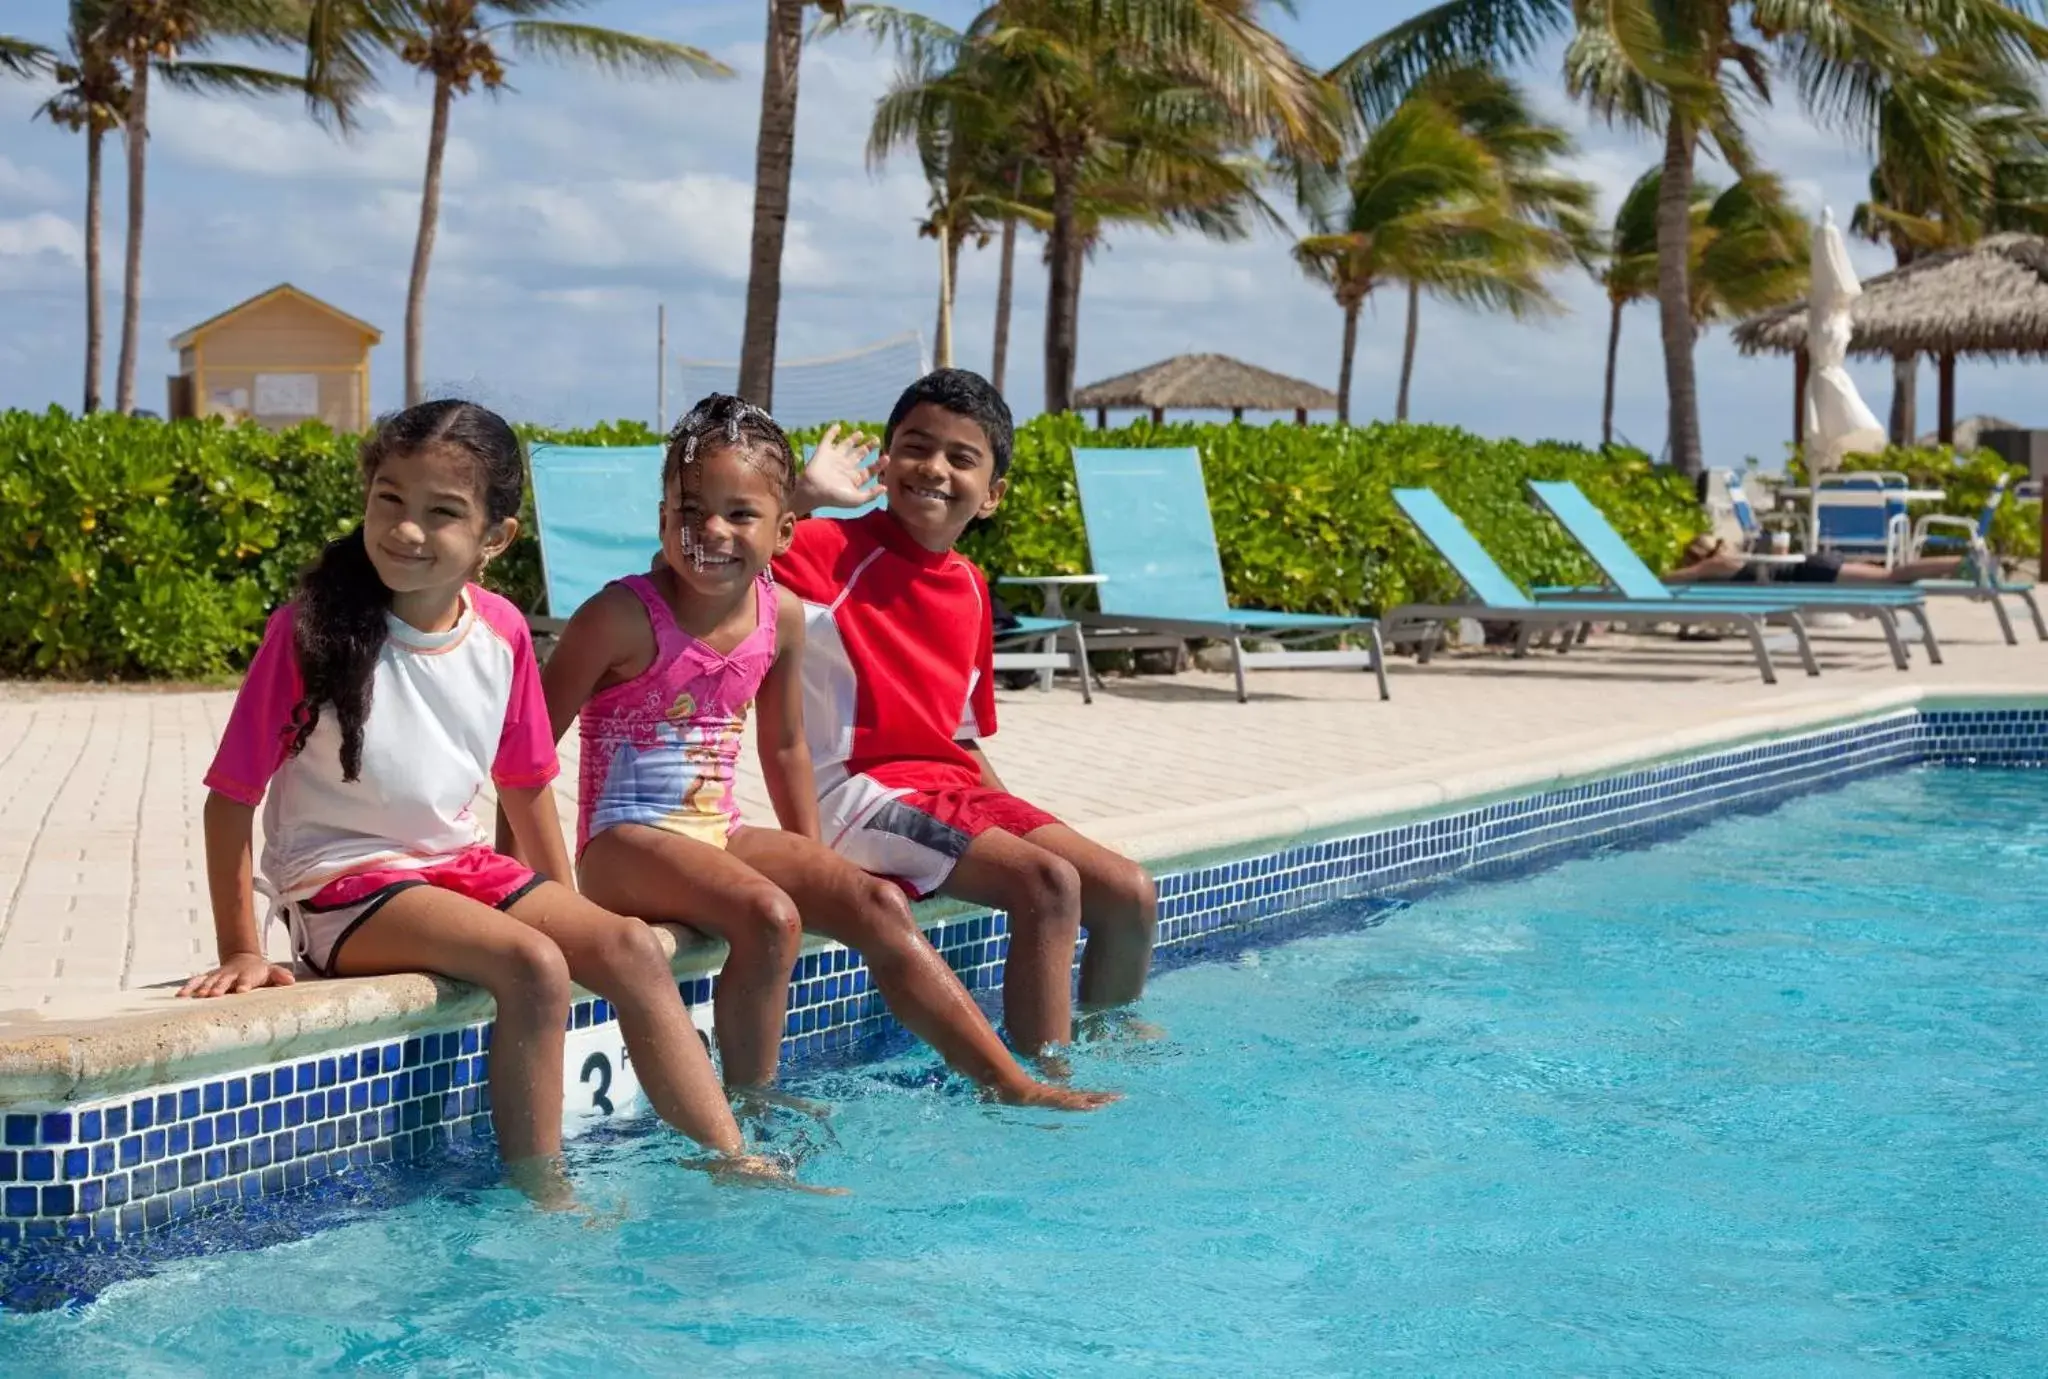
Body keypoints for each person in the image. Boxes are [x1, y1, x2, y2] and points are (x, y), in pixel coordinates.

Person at [180, 400, 802, 1204]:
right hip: (342, 881)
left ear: (494, 537)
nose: (407, 529)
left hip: (455, 865)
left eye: (443, 512)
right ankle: (544, 1196)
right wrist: (242, 947)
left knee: (629, 949)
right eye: (390, 500)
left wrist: (570, 912)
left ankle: (729, 1154)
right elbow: (230, 798)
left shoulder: (502, 631)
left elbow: (527, 786)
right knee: (532, 965)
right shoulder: (310, 631)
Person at [526, 393, 1114, 1112]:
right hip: (623, 837)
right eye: (690, 513)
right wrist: (542, 889)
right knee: (770, 916)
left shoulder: (781, 617)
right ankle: (753, 1101)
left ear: (783, 534)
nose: (711, 530)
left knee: (873, 901)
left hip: (717, 829)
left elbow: (785, 742)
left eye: (740, 515)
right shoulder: (618, 616)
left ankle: (1010, 1081)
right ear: (662, 521)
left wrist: (816, 862)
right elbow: (524, 755)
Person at [774, 369, 1159, 1057]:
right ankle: (1044, 1088)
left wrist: (1015, 825)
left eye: (961, 457)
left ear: (993, 494)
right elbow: (692, 567)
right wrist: (798, 498)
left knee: (1127, 891)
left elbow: (961, 738)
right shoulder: (826, 548)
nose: (935, 468)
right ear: (886, 461)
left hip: (948, 790)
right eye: (917, 447)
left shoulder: (972, 589)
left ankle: (1109, 1045)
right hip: (856, 795)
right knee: (1046, 884)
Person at [1666, 534, 1969, 586]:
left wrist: (1654, 578)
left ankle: (1960, 563)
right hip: (1813, 564)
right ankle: (1958, 564)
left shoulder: (1714, 564)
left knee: (1892, 577)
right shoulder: (1733, 556)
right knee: (1893, 576)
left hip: (1811, 571)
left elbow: (1683, 576)